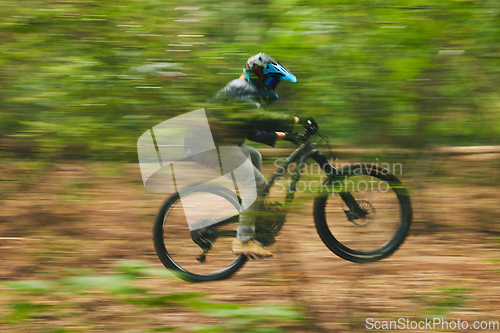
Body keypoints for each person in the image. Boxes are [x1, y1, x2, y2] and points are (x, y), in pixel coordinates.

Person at [198, 53, 317, 258]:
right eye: (271, 80)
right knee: (257, 183)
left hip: (218, 144)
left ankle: (254, 214)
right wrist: (298, 119)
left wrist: (288, 136)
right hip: (212, 146)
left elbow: (255, 132)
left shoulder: (244, 94)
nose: (272, 86)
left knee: (255, 157)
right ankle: (243, 240)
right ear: (258, 75)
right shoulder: (241, 88)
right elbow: (262, 118)